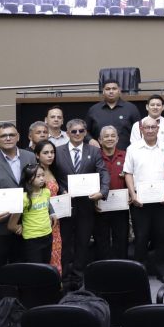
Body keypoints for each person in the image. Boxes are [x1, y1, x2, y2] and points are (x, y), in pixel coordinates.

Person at [0, 123, 37, 304]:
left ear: (18, 136)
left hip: (24, 224)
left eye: (11, 135)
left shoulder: (29, 156)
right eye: (3, 136)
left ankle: (18, 305)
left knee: (21, 266)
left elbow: (35, 185)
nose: (8, 138)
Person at [53, 119, 109, 284]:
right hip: (65, 205)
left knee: (83, 242)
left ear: (85, 133)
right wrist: (60, 190)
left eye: (81, 131)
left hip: (86, 205)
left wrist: (102, 192)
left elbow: (103, 172)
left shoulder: (94, 150)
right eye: (74, 131)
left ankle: (78, 276)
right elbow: (53, 175)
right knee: (64, 242)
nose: (78, 134)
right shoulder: (57, 151)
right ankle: (63, 276)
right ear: (68, 133)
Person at [124, 117, 164, 281]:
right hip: (140, 200)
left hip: (162, 200)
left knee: (162, 236)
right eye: (147, 127)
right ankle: (140, 271)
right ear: (141, 130)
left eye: (153, 127)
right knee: (141, 237)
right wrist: (133, 195)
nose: (150, 130)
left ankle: (163, 270)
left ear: (158, 129)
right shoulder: (133, 149)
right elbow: (128, 174)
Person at [6, 163, 55, 264]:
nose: (42, 178)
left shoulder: (46, 192)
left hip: (48, 235)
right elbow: (11, 225)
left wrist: (50, 216)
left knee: (46, 267)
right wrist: (19, 228)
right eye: (38, 176)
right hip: (32, 239)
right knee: (35, 270)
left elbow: (47, 208)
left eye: (43, 175)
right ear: (28, 179)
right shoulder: (24, 198)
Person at [94, 125, 129, 260]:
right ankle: (104, 269)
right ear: (100, 140)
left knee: (121, 239)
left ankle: (122, 268)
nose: (110, 139)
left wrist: (131, 194)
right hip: (100, 206)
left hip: (120, 206)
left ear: (117, 138)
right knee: (101, 239)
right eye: (106, 136)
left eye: (113, 136)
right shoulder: (94, 156)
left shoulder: (125, 156)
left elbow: (132, 177)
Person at [32, 140, 63, 275]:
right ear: (37, 155)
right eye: (46, 153)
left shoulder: (53, 169)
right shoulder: (34, 173)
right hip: (40, 220)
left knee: (56, 253)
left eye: (52, 152)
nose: (50, 155)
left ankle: (56, 286)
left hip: (56, 221)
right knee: (43, 258)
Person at [86, 79, 141, 150]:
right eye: (108, 89)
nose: (111, 91)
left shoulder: (131, 108)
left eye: (114, 89)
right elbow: (84, 131)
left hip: (126, 154)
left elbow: (139, 131)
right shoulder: (94, 109)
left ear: (119, 90)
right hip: (99, 155)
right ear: (103, 91)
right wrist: (90, 140)